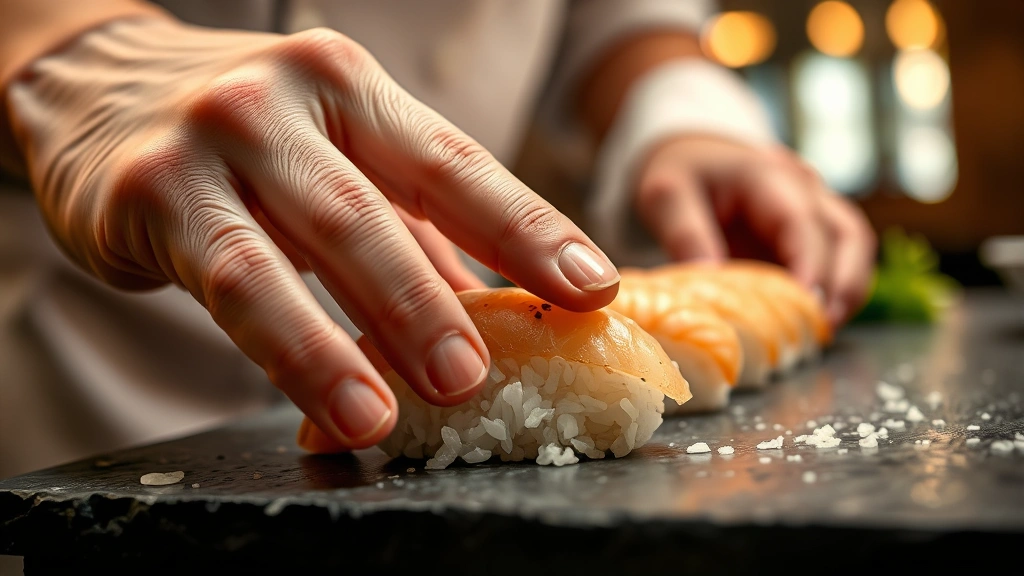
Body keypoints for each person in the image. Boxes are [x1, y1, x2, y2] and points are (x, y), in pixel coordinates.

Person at [0, 0, 875, 479]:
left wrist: (685, 117)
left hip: (440, 291)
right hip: (67, 395)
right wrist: (53, 48)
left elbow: (616, 24)